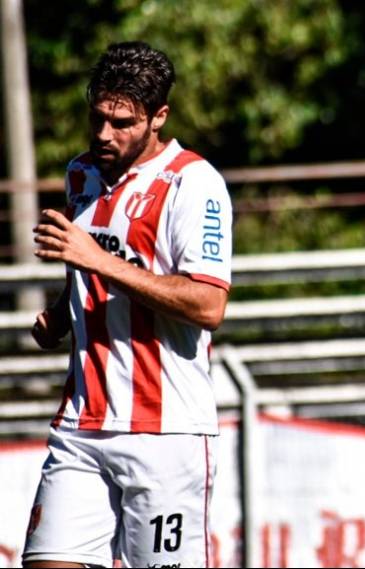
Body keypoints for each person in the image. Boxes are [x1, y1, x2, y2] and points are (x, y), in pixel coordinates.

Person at [23, 41, 232, 568]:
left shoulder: (195, 183)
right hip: (81, 422)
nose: (103, 134)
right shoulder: (81, 174)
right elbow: (91, 266)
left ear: (158, 117)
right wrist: (61, 313)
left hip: (166, 432)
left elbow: (208, 304)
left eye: (122, 123)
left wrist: (96, 260)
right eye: (96, 118)